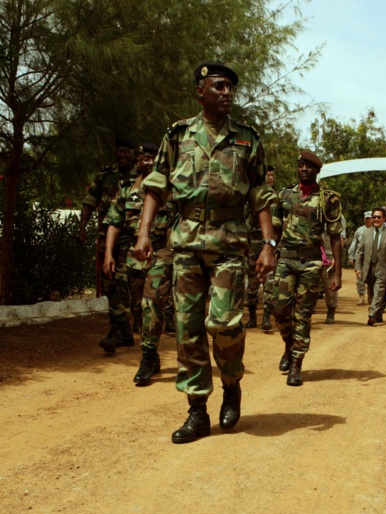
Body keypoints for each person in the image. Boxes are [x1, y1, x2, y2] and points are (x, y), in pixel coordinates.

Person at [134, 62, 277, 444]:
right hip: (185, 243)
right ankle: (197, 411)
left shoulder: (247, 139)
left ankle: (231, 384)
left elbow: (260, 193)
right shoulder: (179, 135)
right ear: (201, 92)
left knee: (224, 324)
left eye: (231, 87)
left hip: (229, 243)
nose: (227, 92)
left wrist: (269, 244)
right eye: (219, 86)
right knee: (188, 330)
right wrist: (144, 233)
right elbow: (155, 186)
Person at [266, 150, 343, 385]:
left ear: (317, 171)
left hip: (311, 263)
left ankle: (296, 364)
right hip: (286, 260)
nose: (304, 169)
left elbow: (336, 236)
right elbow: (275, 229)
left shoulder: (328, 199)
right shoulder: (285, 195)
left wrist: (337, 272)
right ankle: (288, 345)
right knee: (279, 310)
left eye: (309, 166)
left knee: (303, 315)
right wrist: (268, 252)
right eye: (301, 165)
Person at [102, 143, 173, 386]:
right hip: (135, 253)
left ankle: (147, 357)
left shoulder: (171, 188)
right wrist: (108, 255)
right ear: (138, 161)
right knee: (137, 309)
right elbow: (114, 222)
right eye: (143, 158)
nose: (148, 162)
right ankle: (152, 355)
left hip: (162, 250)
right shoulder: (127, 190)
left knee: (152, 303)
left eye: (152, 158)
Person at [79, 137, 139, 352]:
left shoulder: (142, 175)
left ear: (134, 153)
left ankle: (115, 332)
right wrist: (83, 227)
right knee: (109, 282)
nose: (122, 155)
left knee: (121, 283)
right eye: (119, 151)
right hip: (107, 236)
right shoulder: (105, 175)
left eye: (126, 151)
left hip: (131, 237)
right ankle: (124, 332)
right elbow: (89, 202)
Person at [355, 207, 386, 325]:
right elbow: (360, 251)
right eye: (373, 217)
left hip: (384, 267)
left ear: (384, 218)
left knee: (379, 290)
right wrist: (357, 267)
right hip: (369, 267)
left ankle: (372, 314)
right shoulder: (366, 232)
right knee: (373, 293)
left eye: (378, 217)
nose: (375, 219)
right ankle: (378, 314)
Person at [246, 166, 277, 329]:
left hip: (270, 244)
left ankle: (266, 317)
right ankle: (252, 317)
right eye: (267, 175)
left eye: (272, 175)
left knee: (269, 282)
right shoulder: (253, 197)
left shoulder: (277, 200)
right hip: (253, 242)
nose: (270, 178)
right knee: (252, 280)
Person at [348, 211, 374, 305]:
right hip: (360, 257)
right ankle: (361, 296)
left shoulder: (376, 230)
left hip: (371, 257)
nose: (368, 220)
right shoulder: (359, 231)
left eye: (369, 218)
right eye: (366, 218)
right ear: (364, 219)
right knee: (360, 278)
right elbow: (354, 244)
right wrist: (351, 256)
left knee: (371, 278)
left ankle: (371, 295)